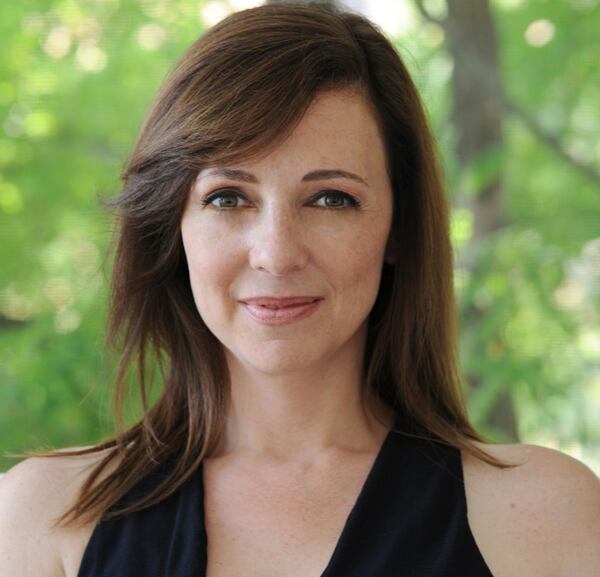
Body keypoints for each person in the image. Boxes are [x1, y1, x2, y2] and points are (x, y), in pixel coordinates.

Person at [1, 3, 599, 576]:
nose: (277, 252)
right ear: (172, 226)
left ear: (399, 227)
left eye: (331, 198)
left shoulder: (545, 520)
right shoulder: (42, 520)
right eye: (227, 197)